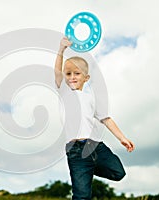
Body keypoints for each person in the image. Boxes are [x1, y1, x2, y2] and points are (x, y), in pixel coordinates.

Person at [55, 37, 135, 200]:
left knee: (118, 172)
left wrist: (122, 138)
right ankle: (83, 170)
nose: (72, 77)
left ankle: (88, 169)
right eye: (68, 74)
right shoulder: (65, 93)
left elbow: (106, 119)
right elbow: (57, 72)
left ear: (86, 77)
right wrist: (61, 50)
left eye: (77, 73)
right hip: (77, 151)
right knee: (82, 195)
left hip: (96, 146)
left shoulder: (92, 97)